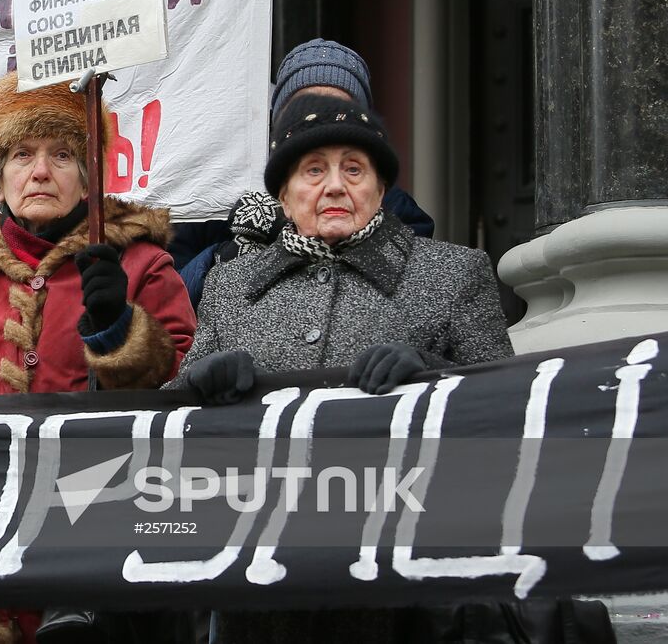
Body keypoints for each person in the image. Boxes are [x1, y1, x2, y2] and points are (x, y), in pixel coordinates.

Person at [173, 94, 513, 642]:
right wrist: (197, 383)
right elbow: (173, 422)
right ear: (283, 195)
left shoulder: (454, 274)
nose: (334, 186)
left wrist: (432, 372)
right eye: (313, 170)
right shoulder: (231, 284)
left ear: (381, 189)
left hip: (405, 584)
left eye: (353, 169)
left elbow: (510, 414)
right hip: (258, 588)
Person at [0, 73, 196, 644]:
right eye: (22, 154)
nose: (40, 171)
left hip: (99, 560)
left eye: (62, 154)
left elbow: (183, 400)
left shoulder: (140, 267)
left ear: (88, 172)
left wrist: (122, 334)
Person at [176, 38, 436, 307]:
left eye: (336, 110)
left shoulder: (394, 208)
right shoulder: (215, 194)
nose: (318, 121)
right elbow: (167, 300)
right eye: (303, 109)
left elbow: (411, 291)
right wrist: (220, 259)